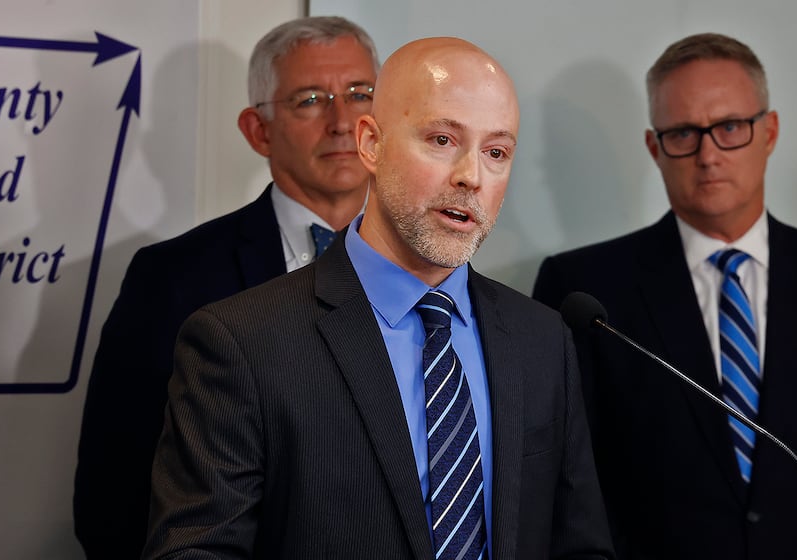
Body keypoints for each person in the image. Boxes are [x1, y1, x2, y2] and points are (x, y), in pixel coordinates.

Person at [141, 37, 614, 559]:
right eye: (441, 140)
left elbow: (581, 547)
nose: (471, 176)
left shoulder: (542, 338)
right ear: (370, 143)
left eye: (496, 152)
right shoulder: (241, 343)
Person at [533, 32, 797, 560]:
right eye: (683, 133)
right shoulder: (582, 290)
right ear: (655, 148)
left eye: (729, 128)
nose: (708, 154)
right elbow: (566, 485)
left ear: (769, 131)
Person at [73, 16, 379, 558]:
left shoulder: (434, 267)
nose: (341, 121)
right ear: (258, 129)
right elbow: (112, 497)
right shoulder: (172, 277)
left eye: (360, 94)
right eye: (310, 99)